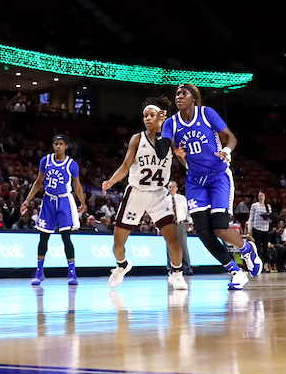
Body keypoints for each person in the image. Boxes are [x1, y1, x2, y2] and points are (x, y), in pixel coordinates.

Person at [161, 84, 248, 290]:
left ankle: (246, 249)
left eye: (184, 93)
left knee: (219, 227)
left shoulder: (206, 113)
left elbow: (231, 137)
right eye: (177, 94)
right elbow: (166, 148)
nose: (179, 97)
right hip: (194, 180)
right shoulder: (171, 123)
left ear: (194, 98)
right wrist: (176, 153)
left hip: (218, 176)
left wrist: (226, 150)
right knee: (202, 231)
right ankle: (236, 271)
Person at [101, 97, 187, 290]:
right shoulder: (137, 138)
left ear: (161, 117)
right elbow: (125, 167)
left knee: (173, 239)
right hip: (136, 193)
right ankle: (122, 266)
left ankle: (176, 273)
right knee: (117, 244)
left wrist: (184, 156)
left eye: (152, 115)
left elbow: (184, 161)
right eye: (145, 115)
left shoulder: (170, 139)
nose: (147, 118)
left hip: (159, 194)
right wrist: (111, 181)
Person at [21, 135, 86, 286]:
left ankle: (72, 272)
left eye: (61, 144)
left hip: (64, 201)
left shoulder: (72, 164)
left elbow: (77, 186)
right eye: (55, 144)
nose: (58, 146)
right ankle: (39, 271)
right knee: (43, 237)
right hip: (48, 200)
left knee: (66, 238)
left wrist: (82, 202)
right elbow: (38, 182)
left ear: (66, 147)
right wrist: (27, 200)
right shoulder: (45, 161)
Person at [169, 182, 194, 277]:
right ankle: (172, 269)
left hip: (180, 223)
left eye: (173, 187)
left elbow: (187, 211)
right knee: (170, 247)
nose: (171, 189)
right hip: (170, 225)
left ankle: (187, 268)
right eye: (169, 187)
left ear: (176, 188)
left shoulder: (181, 198)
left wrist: (190, 222)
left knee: (183, 246)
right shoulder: (165, 200)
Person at [247, 191, 274, 273]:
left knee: (266, 248)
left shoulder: (268, 206)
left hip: (265, 229)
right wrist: (249, 230)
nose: (261, 197)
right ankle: (258, 264)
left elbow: (270, 219)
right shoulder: (254, 206)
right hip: (257, 228)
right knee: (257, 247)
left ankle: (265, 265)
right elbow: (251, 218)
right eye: (260, 195)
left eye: (262, 195)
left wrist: (268, 218)